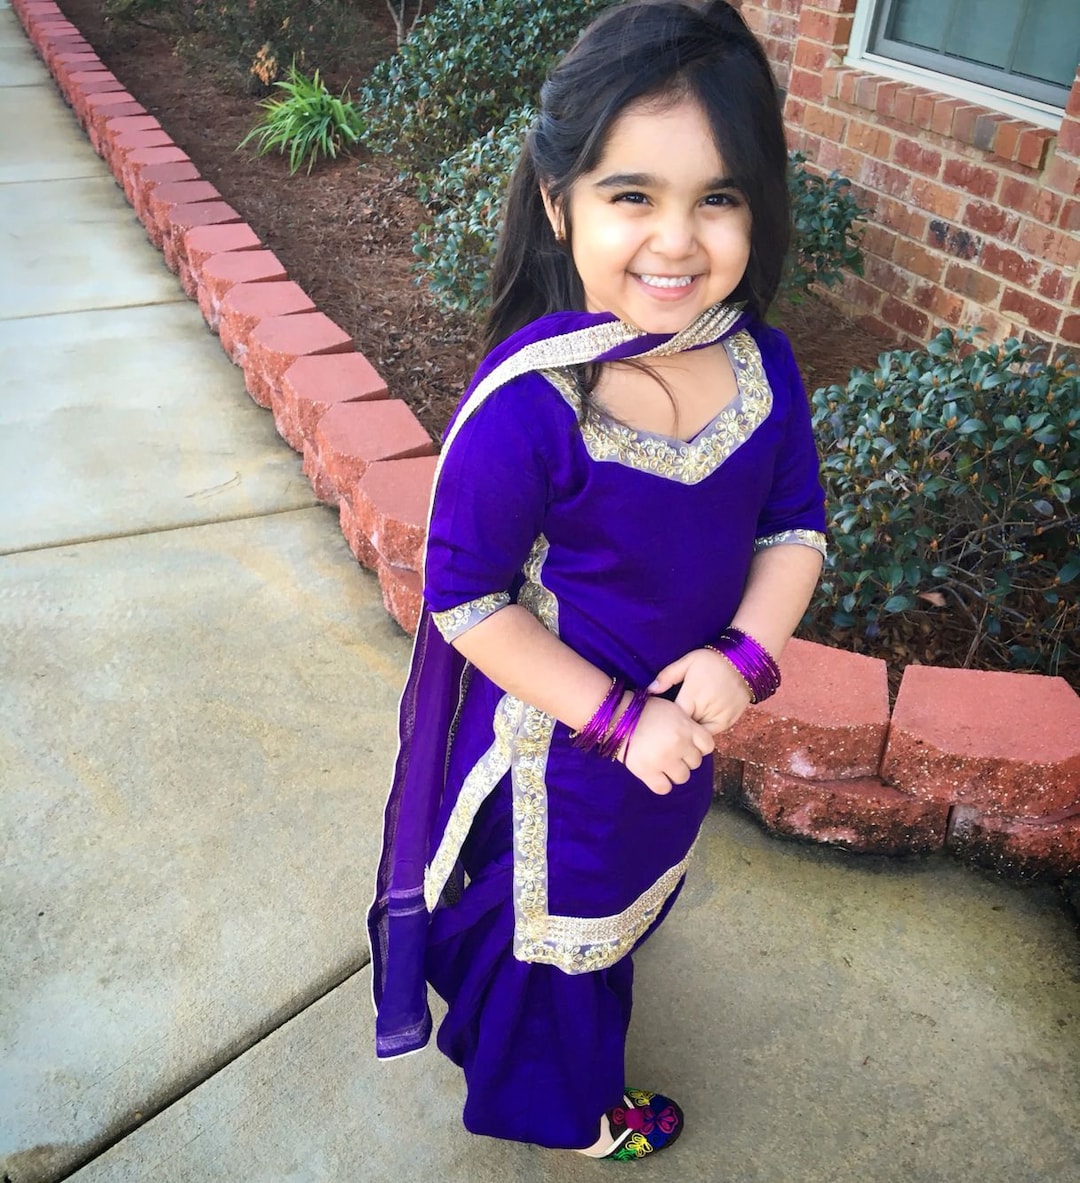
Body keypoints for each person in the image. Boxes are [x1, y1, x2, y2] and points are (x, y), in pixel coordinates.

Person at [368, 0, 827, 1161]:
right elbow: (467, 600)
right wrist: (620, 720)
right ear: (560, 200)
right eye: (634, 196)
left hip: (680, 736)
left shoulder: (758, 363)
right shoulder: (534, 408)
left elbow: (795, 526)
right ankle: (564, 1113)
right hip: (560, 753)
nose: (677, 241)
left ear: (758, 204)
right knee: (548, 936)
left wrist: (746, 656)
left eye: (716, 197)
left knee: (627, 898)